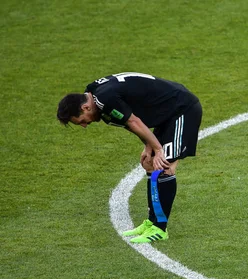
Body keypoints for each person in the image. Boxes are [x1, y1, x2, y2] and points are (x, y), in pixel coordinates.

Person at [57, 72, 202, 243]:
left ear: (85, 108)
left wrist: (157, 148)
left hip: (181, 109)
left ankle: (160, 228)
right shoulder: (96, 96)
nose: (83, 126)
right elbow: (130, 121)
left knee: (165, 167)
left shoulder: (104, 99)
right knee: (150, 164)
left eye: (81, 120)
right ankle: (152, 221)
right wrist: (148, 146)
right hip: (166, 115)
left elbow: (134, 122)